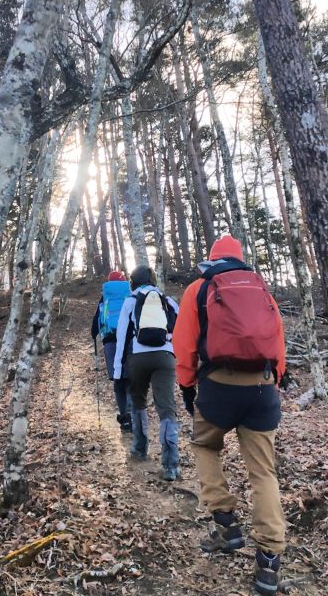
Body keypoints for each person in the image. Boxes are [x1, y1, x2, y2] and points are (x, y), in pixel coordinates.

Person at [173, 235, 287, 596]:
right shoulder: (261, 288)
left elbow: (184, 342)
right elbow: (278, 341)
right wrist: (275, 379)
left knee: (205, 446)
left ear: (212, 259)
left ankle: (225, 523)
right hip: (262, 388)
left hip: (218, 386)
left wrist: (187, 384)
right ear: (240, 259)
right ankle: (269, 560)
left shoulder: (199, 288)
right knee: (263, 472)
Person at [113, 265, 180, 481]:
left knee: (138, 400)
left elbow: (122, 337)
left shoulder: (130, 302)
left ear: (133, 281)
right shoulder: (167, 301)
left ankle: (140, 448)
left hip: (138, 357)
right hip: (165, 357)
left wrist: (118, 369)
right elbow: (180, 330)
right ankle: (170, 465)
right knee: (167, 408)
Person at [91, 271, 133, 431]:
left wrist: (96, 335)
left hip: (110, 343)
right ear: (124, 281)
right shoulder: (130, 296)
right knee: (129, 380)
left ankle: (124, 418)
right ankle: (130, 416)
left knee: (118, 381)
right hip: (128, 342)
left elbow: (94, 327)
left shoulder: (105, 298)